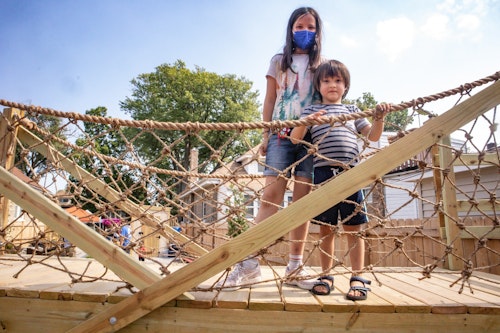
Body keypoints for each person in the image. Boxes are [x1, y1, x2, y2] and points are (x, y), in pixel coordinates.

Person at [216, 7, 324, 291]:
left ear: (317, 31)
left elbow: (328, 97)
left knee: (302, 202)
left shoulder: (321, 63)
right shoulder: (278, 61)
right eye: (300, 25)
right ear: (291, 29)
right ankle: (249, 264)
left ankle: (295, 266)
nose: (305, 31)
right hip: (280, 134)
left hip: (310, 138)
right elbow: (269, 99)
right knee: (269, 199)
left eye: (311, 26)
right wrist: (265, 134)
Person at [290, 59, 391, 300]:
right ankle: (326, 275)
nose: (332, 85)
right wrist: (307, 123)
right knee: (326, 228)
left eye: (337, 80)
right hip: (324, 174)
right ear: (318, 85)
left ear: (345, 86)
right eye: (326, 81)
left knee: (354, 228)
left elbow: (373, 136)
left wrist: (379, 118)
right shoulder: (311, 110)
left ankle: (357, 276)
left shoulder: (353, 110)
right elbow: (295, 139)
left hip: (351, 173)